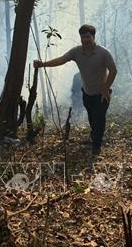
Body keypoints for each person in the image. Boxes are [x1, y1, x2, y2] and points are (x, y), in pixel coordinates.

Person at [34, 24, 117, 155]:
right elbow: (61, 60)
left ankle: (96, 146)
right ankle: (95, 138)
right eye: (83, 37)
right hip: (87, 93)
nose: (85, 40)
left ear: (93, 37)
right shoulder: (76, 52)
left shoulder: (103, 53)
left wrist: (106, 88)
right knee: (92, 119)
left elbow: (113, 70)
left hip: (102, 94)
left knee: (99, 119)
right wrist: (43, 64)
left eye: (88, 37)